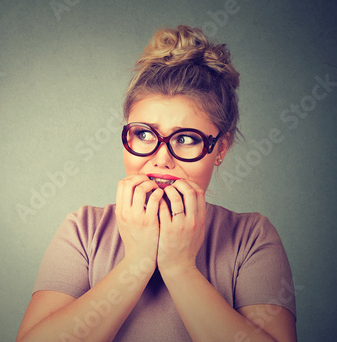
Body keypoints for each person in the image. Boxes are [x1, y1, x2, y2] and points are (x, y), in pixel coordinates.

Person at [17, 25, 297, 341]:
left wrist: (179, 268)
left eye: (187, 138)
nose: (161, 158)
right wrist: (136, 262)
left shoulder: (251, 238)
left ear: (220, 148)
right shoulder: (83, 230)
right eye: (145, 134)